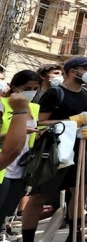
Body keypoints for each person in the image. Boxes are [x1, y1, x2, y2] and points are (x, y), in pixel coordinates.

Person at [21, 57, 87, 242]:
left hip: (79, 150)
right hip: (55, 152)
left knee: (79, 193)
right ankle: (28, 240)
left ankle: (74, 237)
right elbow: (40, 123)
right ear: (72, 71)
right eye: (85, 68)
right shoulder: (55, 93)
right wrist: (73, 121)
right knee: (40, 196)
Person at [0, 71, 41, 226]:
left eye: (35, 88)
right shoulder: (3, 105)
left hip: (21, 167)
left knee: (6, 210)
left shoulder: (34, 108)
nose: (31, 92)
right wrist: (15, 133)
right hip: (4, 166)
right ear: (15, 87)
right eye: (27, 87)